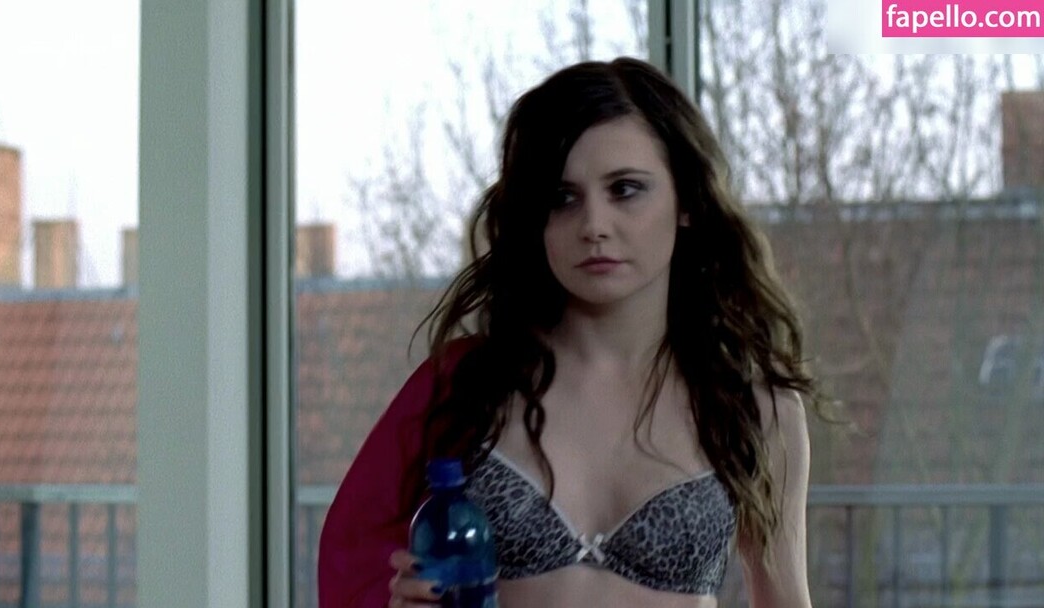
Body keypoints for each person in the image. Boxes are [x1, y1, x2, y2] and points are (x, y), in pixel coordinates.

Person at [319, 57, 821, 608]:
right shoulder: (463, 386)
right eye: (562, 198)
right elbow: (350, 565)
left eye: (625, 189)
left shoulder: (758, 407)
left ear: (688, 202)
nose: (594, 226)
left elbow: (785, 599)